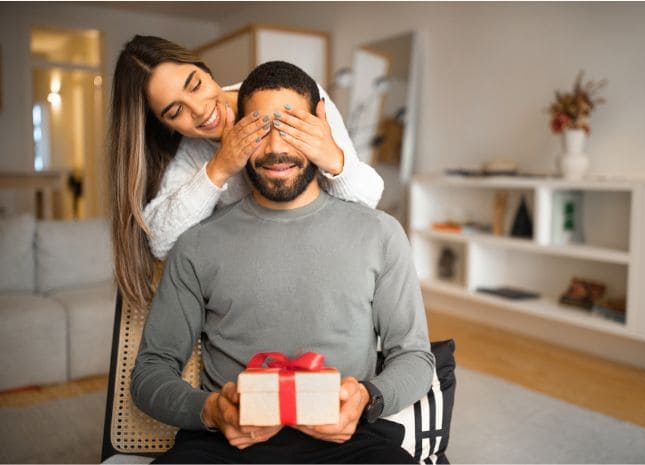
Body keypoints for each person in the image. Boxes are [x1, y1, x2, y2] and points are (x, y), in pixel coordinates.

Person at [131, 60, 434, 464]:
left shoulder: (380, 234)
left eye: (290, 126)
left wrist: (367, 398)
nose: (275, 148)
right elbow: (150, 371)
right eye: (258, 129)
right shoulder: (195, 246)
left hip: (350, 443)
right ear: (236, 134)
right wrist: (208, 410)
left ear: (320, 124)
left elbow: (414, 356)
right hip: (225, 446)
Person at [108, 35, 384, 310]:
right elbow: (160, 240)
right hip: (260, 290)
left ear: (205, 70)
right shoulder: (195, 150)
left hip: (328, 275)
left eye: (195, 85)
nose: (200, 110)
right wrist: (220, 168)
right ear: (163, 124)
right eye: (175, 111)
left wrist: (332, 157)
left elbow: (365, 203)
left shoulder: (294, 98)